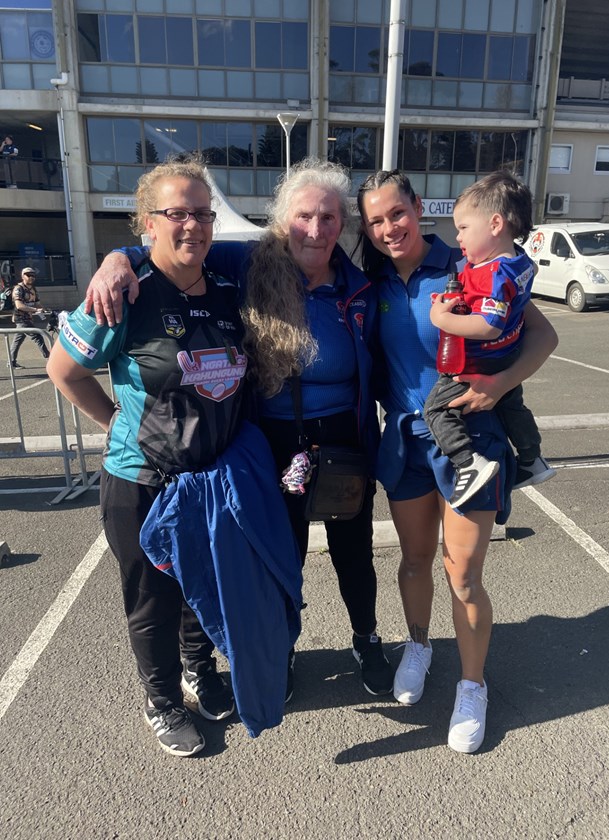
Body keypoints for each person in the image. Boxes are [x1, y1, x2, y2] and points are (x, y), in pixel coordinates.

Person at [85, 157, 393, 699]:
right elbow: (175, 249)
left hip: (343, 439)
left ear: (342, 223)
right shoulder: (251, 260)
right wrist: (117, 259)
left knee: (353, 550)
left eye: (328, 218)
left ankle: (366, 639)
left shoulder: (359, 288)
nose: (315, 230)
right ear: (282, 220)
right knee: (280, 553)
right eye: (304, 216)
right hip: (270, 442)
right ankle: (285, 646)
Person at [47, 156, 303, 757]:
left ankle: (198, 669)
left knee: (199, 584)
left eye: (202, 213)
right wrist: (116, 424)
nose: (192, 225)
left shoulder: (227, 288)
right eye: (176, 213)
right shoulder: (122, 292)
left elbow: (281, 247)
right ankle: (161, 700)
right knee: (152, 599)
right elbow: (64, 371)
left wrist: (125, 252)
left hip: (209, 483)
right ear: (147, 220)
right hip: (141, 482)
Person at [355, 169, 558, 753]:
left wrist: (498, 387)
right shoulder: (369, 283)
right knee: (416, 560)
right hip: (406, 441)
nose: (389, 228)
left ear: (418, 208)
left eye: (397, 213)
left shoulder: (464, 262)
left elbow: (542, 337)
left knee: (463, 574)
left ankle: (473, 685)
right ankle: (418, 646)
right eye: (375, 220)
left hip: (470, 433)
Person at [424, 171, 556, 508]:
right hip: (507, 358)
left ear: (495, 224)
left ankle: (468, 462)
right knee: (512, 405)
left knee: (437, 410)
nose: (458, 237)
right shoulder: (519, 263)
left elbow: (489, 325)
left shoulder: (492, 273)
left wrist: (442, 318)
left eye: (464, 228)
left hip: (480, 361)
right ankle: (531, 458)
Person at [8, 267, 50, 369]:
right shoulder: (18, 289)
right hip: (21, 318)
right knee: (37, 336)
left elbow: (37, 304)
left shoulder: (33, 289)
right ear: (23, 276)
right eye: (28, 275)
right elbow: (19, 306)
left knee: (18, 340)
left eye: (33, 275)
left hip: (28, 318)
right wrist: (35, 310)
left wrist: (45, 309)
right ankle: (50, 358)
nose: (31, 277)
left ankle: (11, 362)